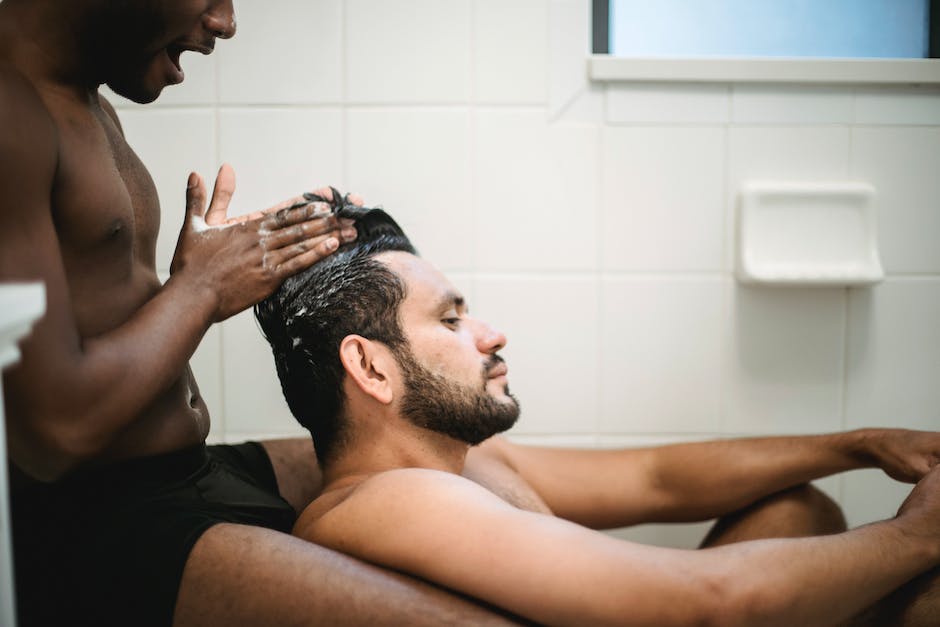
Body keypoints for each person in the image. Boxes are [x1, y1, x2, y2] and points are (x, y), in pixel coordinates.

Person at [0, 1, 522, 625]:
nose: (225, 22)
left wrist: (202, 281)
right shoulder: (10, 113)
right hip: (98, 518)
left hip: (189, 468)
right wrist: (201, 290)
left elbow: (90, 319)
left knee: (467, 468)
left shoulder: (85, 100)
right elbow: (53, 432)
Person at [255, 199, 940, 627]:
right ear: (371, 367)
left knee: (795, 508)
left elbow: (656, 478)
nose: (492, 335)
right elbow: (706, 603)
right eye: (453, 318)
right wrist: (917, 536)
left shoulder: (458, 466)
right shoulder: (386, 503)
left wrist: (863, 444)